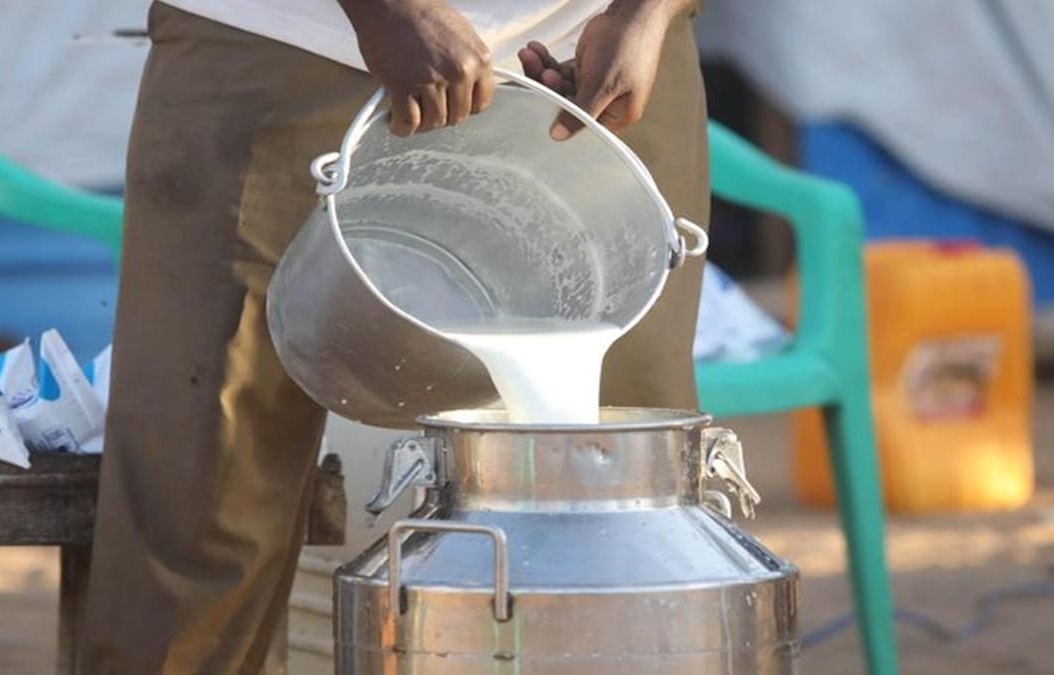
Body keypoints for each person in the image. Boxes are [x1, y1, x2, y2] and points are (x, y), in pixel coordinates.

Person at [81, 0, 709, 672]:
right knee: (207, 487)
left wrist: (646, 15)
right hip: (288, 36)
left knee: (631, 497)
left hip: (596, 49)